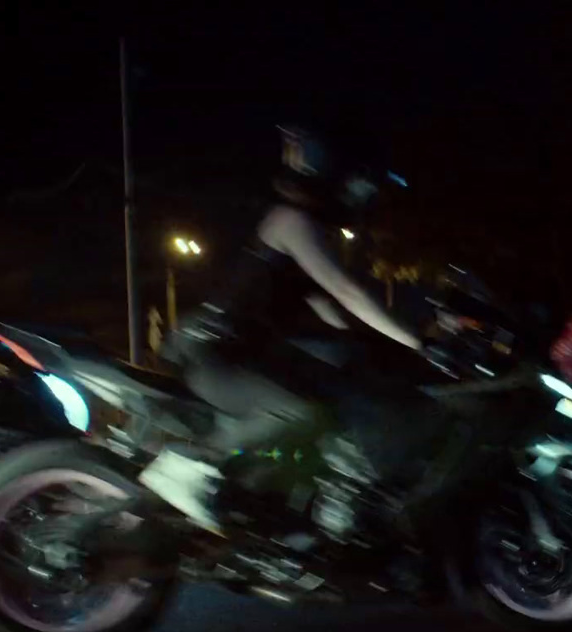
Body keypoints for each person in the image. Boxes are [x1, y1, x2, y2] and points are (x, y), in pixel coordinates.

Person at [139, 126, 422, 534]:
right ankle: (186, 465)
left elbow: (329, 309)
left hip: (238, 353)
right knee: (297, 411)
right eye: (360, 187)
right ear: (334, 177)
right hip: (213, 351)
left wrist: (378, 347)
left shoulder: (307, 228)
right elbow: (345, 291)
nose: (363, 198)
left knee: (336, 390)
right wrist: (417, 341)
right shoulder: (291, 221)